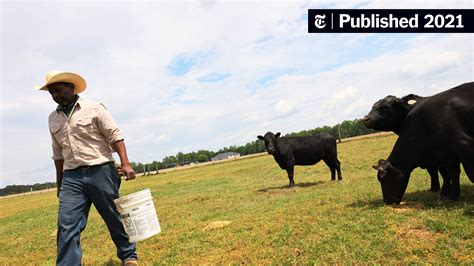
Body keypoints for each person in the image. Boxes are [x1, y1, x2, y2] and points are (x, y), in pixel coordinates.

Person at [38, 70, 138, 266]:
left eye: (58, 90)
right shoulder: (53, 118)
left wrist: (125, 163)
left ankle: (129, 256)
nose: (55, 96)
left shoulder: (94, 108)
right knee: (67, 224)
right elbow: (58, 154)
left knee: (113, 217)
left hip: (101, 170)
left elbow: (115, 135)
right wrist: (60, 183)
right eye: (51, 93)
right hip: (71, 177)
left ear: (71, 87)